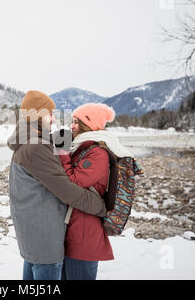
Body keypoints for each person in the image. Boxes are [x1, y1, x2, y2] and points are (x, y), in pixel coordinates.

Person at [7, 90, 107, 280]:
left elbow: (49, 146)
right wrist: (100, 206)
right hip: (45, 240)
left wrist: (65, 137)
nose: (53, 119)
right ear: (37, 115)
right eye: (49, 114)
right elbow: (67, 190)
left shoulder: (27, 141)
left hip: (32, 235)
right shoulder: (35, 147)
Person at [58, 103, 135, 280]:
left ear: (89, 125)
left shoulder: (98, 153)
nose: (71, 126)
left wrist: (61, 151)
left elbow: (74, 182)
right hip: (73, 229)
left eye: (76, 122)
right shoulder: (80, 148)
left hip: (85, 235)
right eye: (72, 121)